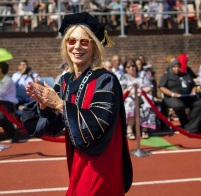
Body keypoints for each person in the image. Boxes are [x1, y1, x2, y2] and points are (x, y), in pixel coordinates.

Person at [22, 12, 132, 195]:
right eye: (71, 41)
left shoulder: (105, 80)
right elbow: (53, 125)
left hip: (99, 162)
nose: (77, 47)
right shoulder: (65, 80)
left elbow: (96, 125)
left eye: (84, 42)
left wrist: (58, 104)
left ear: (95, 47)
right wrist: (44, 106)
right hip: (77, 159)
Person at [159, 60, 201, 133]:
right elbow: (161, 87)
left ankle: (191, 127)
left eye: (179, 67)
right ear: (171, 67)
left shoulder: (185, 75)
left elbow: (193, 85)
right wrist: (173, 94)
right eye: (175, 67)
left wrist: (193, 91)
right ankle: (185, 123)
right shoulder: (167, 76)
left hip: (186, 96)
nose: (177, 69)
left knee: (199, 104)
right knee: (179, 106)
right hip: (171, 97)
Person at [120, 58, 155, 139]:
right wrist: (134, 91)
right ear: (125, 69)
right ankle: (129, 130)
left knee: (147, 104)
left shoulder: (143, 74)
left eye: (133, 66)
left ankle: (145, 129)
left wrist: (139, 91)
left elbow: (150, 87)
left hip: (143, 95)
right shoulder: (124, 77)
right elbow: (123, 91)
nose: (131, 68)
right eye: (128, 67)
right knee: (129, 106)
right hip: (129, 97)